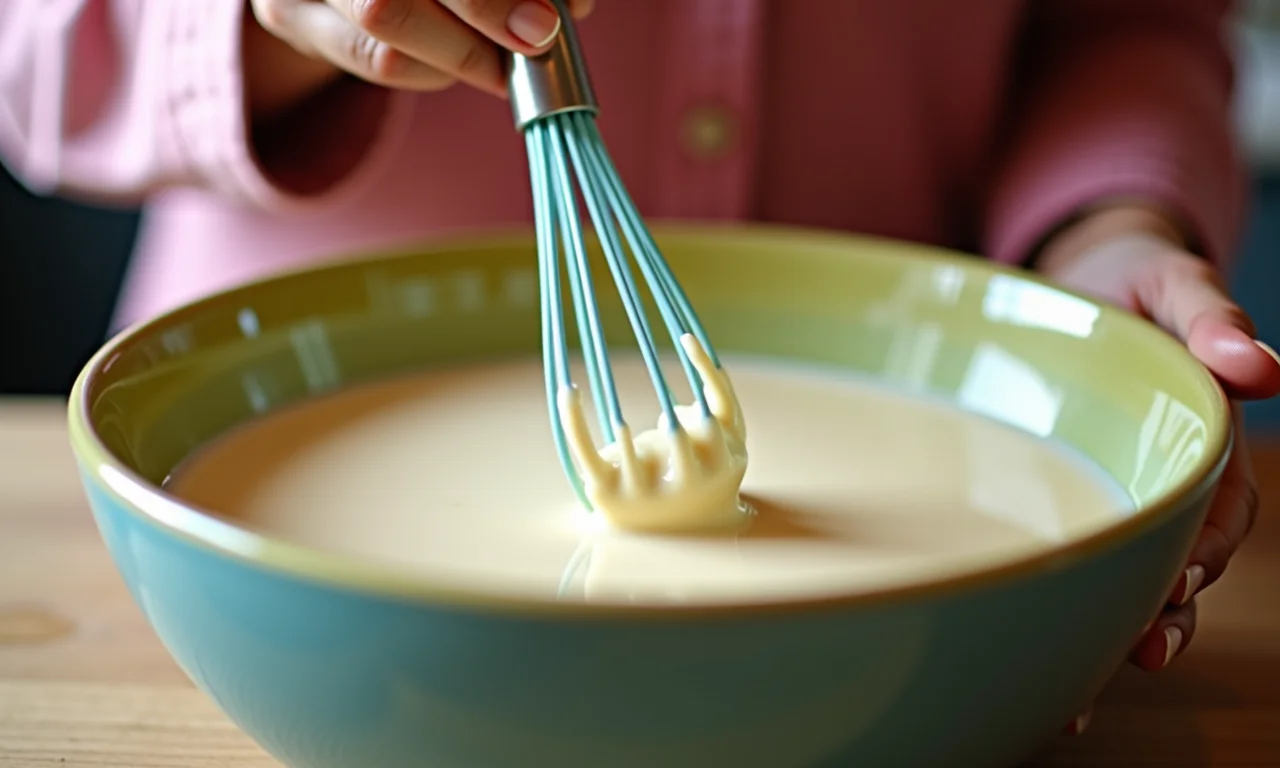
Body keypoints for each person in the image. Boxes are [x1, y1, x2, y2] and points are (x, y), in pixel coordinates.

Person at [2, 0, 1276, 735]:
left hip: (898, 639)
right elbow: (31, 58)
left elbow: (1123, 22)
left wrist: (1098, 238)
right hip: (263, 599)